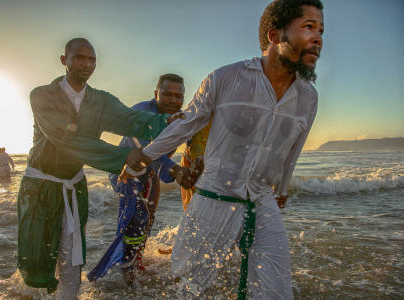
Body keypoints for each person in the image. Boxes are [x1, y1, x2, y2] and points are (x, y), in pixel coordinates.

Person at [137, 0, 324, 298]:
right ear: (274, 36)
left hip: (262, 200)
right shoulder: (226, 78)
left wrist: (282, 189)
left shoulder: (308, 96)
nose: (318, 38)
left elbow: (293, 150)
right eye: (308, 27)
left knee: (275, 290)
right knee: (192, 290)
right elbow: (186, 123)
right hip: (213, 198)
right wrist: (143, 157)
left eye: (320, 30)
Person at [17, 37, 184, 299]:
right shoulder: (41, 96)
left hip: (74, 185)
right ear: (64, 61)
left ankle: (81, 286)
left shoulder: (100, 101)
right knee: (37, 266)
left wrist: (166, 120)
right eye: (79, 58)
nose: (87, 64)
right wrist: (124, 156)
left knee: (72, 265)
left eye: (92, 59)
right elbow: (67, 140)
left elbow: (130, 119)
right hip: (40, 189)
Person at [88, 74, 202, 285]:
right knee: (136, 217)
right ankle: (125, 270)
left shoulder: (180, 117)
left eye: (179, 96)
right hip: (126, 173)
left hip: (150, 175)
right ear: (156, 94)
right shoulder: (142, 112)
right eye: (167, 94)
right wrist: (175, 170)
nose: (173, 100)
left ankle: (135, 259)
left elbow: (193, 140)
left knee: (147, 220)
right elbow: (145, 151)